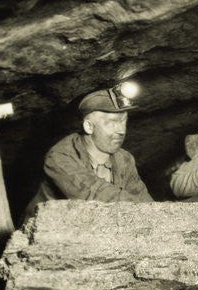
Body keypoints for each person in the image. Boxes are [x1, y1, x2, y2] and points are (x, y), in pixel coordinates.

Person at [26, 81, 153, 218]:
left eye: (123, 121)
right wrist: (151, 212)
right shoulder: (60, 156)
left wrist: (159, 213)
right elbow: (96, 195)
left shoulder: (125, 159)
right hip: (46, 232)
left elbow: (143, 198)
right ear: (89, 127)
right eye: (112, 122)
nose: (121, 130)